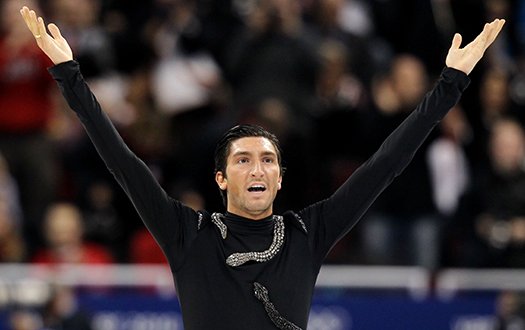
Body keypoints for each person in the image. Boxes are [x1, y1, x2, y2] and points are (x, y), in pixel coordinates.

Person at [19, 5, 505, 330]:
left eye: (267, 160)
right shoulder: (187, 234)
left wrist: (450, 84)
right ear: (221, 178)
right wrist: (69, 75)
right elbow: (121, 161)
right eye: (244, 159)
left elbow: (387, 163)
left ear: (279, 177)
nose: (257, 168)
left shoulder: (307, 232)